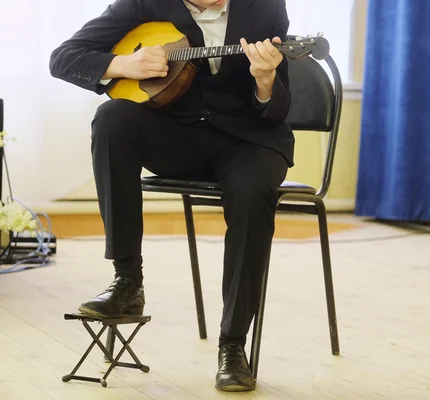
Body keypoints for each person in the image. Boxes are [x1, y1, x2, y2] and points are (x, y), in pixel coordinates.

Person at [49, 0, 292, 392]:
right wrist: (123, 66)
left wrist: (265, 80)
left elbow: (278, 109)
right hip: (179, 138)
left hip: (249, 140)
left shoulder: (264, 7)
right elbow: (62, 58)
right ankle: (127, 281)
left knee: (252, 192)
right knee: (112, 119)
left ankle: (233, 345)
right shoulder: (145, 3)